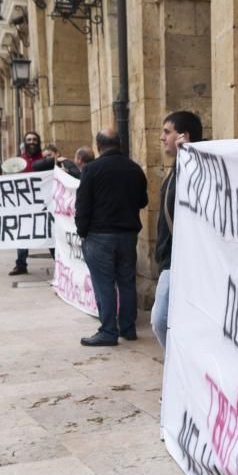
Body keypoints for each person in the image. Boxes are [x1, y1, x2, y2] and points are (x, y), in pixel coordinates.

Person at [75, 129, 148, 346]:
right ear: (119, 144)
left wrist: (82, 231)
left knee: (104, 284)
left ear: (98, 145)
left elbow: (83, 205)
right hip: (127, 235)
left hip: (100, 236)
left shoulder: (91, 169)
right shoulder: (134, 169)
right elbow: (142, 201)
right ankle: (128, 327)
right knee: (126, 282)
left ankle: (108, 331)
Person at [151, 111, 203, 350]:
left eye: (167, 132)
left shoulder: (195, 167)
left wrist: (190, 155)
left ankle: (178, 371)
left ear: (184, 136)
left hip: (182, 260)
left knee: (160, 320)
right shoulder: (176, 168)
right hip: (171, 259)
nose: (162, 138)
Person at [9, 131, 44, 276]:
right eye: (29, 139)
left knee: (47, 232)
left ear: (38, 142)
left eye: (34, 139)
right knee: (23, 234)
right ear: (25, 142)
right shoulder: (18, 161)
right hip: (23, 204)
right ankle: (21, 264)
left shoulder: (44, 159)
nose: (32, 142)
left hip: (42, 203)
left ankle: (57, 261)